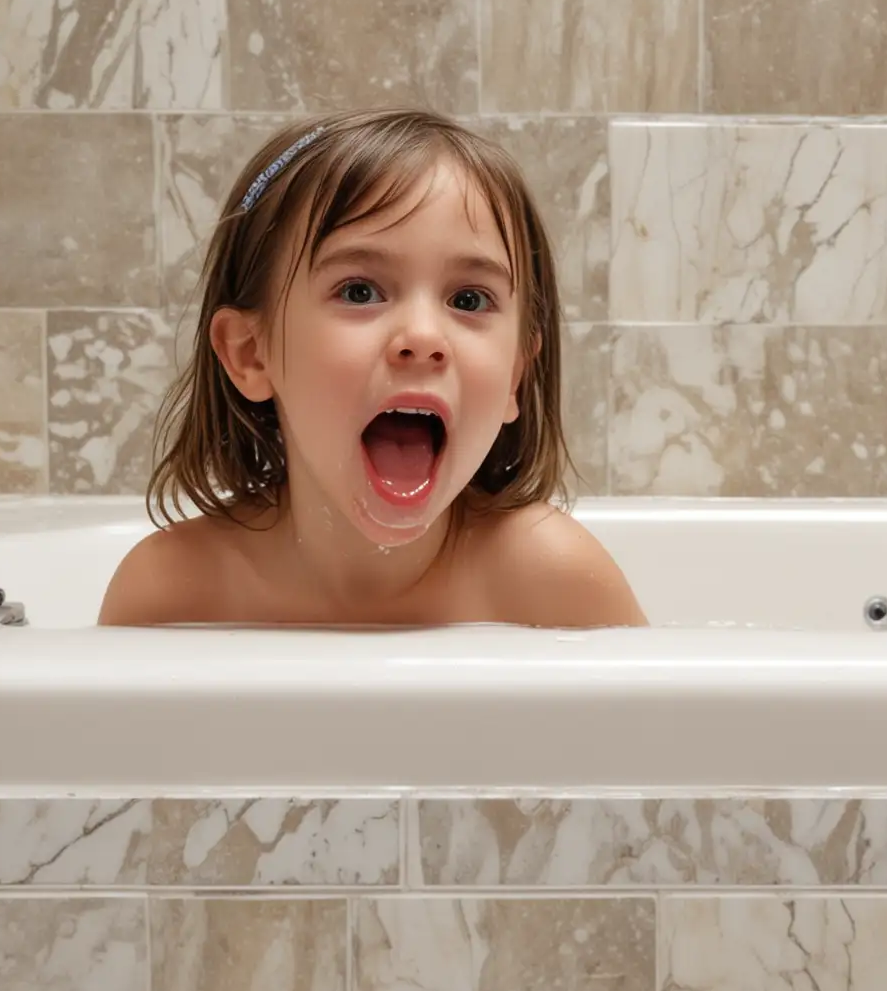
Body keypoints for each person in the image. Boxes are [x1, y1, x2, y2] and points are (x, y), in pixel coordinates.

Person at [98, 108, 646, 628]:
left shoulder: (555, 582)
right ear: (250, 354)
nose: (424, 338)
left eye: (470, 300)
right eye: (360, 291)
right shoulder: (173, 594)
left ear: (515, 375)